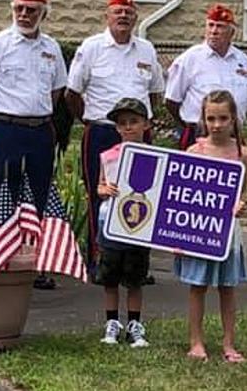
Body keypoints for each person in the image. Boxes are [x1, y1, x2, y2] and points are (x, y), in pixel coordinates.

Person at [0, 0, 67, 290]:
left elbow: (57, 90)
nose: (24, 15)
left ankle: (34, 263)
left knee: (37, 194)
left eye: (32, 10)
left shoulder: (51, 48)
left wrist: (36, 114)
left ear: (43, 14)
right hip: (6, 127)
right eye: (19, 9)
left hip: (39, 129)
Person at [66, 0, 164, 275]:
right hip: (102, 133)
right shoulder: (92, 47)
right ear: (106, 16)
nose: (123, 16)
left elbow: (156, 92)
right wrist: (87, 119)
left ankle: (137, 265)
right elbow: (72, 93)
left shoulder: (146, 49)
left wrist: (143, 123)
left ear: (135, 18)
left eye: (129, 12)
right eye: (118, 11)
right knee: (102, 196)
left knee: (142, 195)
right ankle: (100, 260)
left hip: (138, 137)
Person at [173, 90, 247, 364]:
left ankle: (229, 343)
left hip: (227, 233)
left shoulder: (242, 154)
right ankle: (196, 341)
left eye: (223, 118)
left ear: (233, 119)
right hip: (198, 230)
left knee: (227, 287)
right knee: (198, 285)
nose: (217, 124)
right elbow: (182, 195)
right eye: (211, 118)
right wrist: (178, 237)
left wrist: (241, 204)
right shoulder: (195, 151)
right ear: (203, 120)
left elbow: (242, 191)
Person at [95, 97, 153, 348]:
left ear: (145, 124)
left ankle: (134, 324)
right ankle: (111, 322)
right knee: (110, 277)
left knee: (135, 277)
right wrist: (104, 189)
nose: (128, 127)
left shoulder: (154, 157)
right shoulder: (108, 156)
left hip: (139, 225)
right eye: (123, 123)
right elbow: (99, 185)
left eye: (134, 122)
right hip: (111, 222)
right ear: (117, 128)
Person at [165, 4, 247, 150]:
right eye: (210, 26)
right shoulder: (190, 59)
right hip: (198, 132)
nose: (214, 31)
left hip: (233, 132)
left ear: (232, 32)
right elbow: (171, 101)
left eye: (220, 26)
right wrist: (190, 126)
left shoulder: (243, 61)